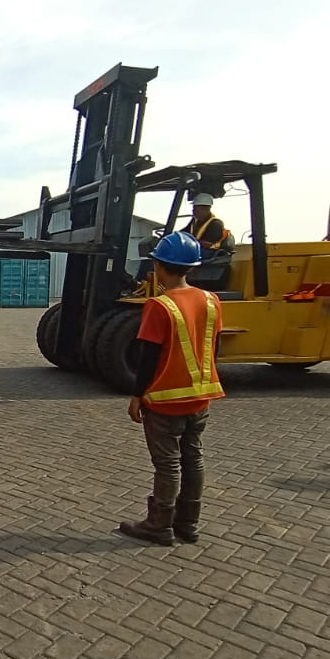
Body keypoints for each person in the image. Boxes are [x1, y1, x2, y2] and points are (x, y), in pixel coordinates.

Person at [121, 230, 225, 546]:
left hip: (165, 400)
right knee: (193, 459)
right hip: (200, 397)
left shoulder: (160, 305)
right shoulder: (210, 300)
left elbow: (148, 356)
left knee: (167, 465)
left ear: (161, 266)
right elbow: (213, 346)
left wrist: (137, 395)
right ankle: (187, 524)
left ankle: (159, 524)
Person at [182, 193, 229, 258]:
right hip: (197, 250)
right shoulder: (195, 222)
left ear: (205, 209)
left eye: (195, 208)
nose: (193, 211)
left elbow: (207, 244)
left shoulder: (216, 224)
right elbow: (183, 232)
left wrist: (188, 241)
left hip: (209, 254)